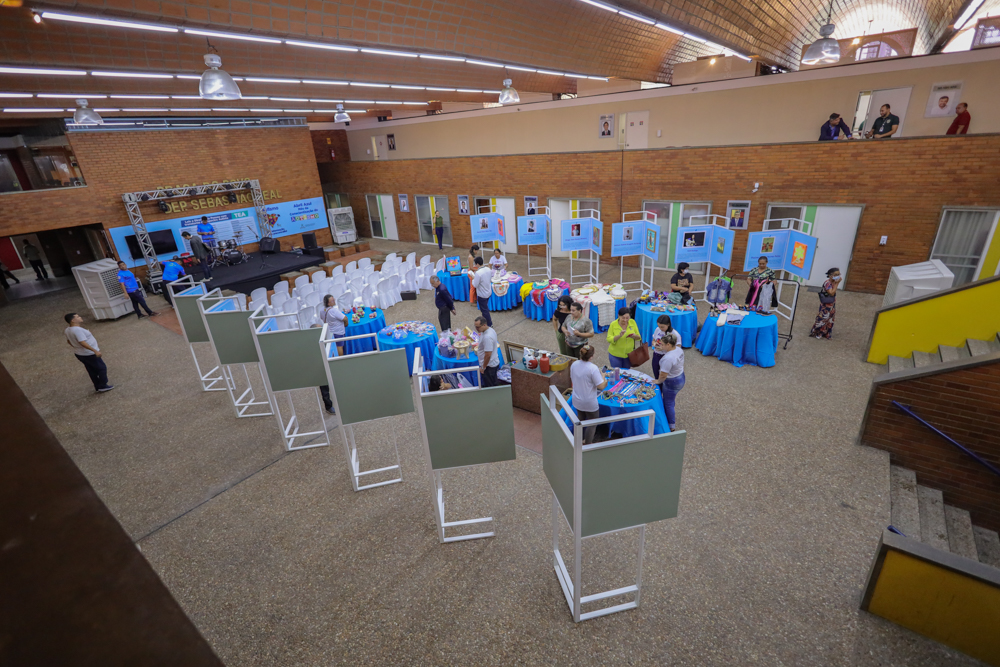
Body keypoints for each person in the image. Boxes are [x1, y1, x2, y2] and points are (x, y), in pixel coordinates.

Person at [64, 312, 114, 393]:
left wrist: (76, 347)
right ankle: (103, 384)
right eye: (78, 316)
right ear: (73, 320)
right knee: (101, 368)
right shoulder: (77, 330)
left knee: (91, 370)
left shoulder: (67, 330)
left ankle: (97, 385)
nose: (80, 317)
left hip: (79, 353)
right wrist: (95, 351)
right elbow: (82, 342)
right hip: (88, 354)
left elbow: (69, 341)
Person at [570, 345, 608, 444]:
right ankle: (588, 444)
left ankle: (577, 441)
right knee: (592, 423)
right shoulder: (593, 368)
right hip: (589, 402)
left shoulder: (574, 364)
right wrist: (603, 377)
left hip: (577, 399)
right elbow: (601, 386)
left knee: (580, 421)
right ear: (591, 357)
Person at [317, 294, 347, 414]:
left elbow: (321, 318)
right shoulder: (334, 311)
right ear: (328, 303)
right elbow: (345, 319)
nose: (334, 301)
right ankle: (340, 362)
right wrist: (345, 324)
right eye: (332, 300)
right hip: (338, 331)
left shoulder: (322, 311)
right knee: (339, 347)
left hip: (331, 332)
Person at [652, 332, 684, 431]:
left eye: (662, 344)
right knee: (671, 400)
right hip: (681, 376)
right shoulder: (678, 349)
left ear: (668, 345)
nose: (660, 345)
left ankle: (671, 425)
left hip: (671, 381)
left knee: (668, 403)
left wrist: (658, 381)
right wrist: (663, 349)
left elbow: (663, 375)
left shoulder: (667, 359)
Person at [810, 267, 841, 340]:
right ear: (831, 275)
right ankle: (818, 332)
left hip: (832, 304)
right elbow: (832, 293)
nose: (838, 276)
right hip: (825, 304)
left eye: (839, 274)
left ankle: (827, 333)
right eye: (836, 274)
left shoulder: (834, 282)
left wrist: (836, 283)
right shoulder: (827, 283)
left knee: (830, 319)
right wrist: (837, 284)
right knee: (822, 318)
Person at [651, 315, 683, 379]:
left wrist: (664, 348)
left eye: (662, 327)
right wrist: (655, 344)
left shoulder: (675, 334)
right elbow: (653, 340)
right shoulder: (658, 329)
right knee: (656, 374)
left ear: (668, 324)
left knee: (665, 376)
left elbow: (678, 349)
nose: (660, 328)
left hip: (666, 357)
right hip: (656, 355)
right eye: (659, 326)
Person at [474, 315, 500, 387]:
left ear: (484, 325)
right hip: (492, 363)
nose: (476, 329)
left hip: (489, 366)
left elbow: (488, 355)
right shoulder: (490, 330)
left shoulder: (487, 337)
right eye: (475, 326)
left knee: (490, 385)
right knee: (493, 382)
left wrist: (483, 367)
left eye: (478, 327)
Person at [471, 256, 493, 327]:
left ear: (477, 264)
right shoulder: (488, 269)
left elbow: (475, 284)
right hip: (488, 292)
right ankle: (485, 322)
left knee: (484, 310)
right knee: (485, 308)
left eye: (475, 264)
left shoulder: (478, 273)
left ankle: (489, 324)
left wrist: (473, 277)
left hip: (482, 294)